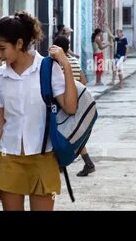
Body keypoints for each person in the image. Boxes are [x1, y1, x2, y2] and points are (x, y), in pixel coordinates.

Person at [0, 11, 77, 211]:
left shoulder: (47, 68)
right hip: (9, 158)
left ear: (19, 44)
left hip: (43, 157)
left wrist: (65, 64)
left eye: (2, 48)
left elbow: (71, 106)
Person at [53, 36, 95, 177]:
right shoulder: (74, 62)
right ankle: (87, 162)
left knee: (64, 133)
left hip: (64, 103)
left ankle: (60, 162)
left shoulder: (58, 64)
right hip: (77, 102)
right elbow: (83, 80)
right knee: (74, 133)